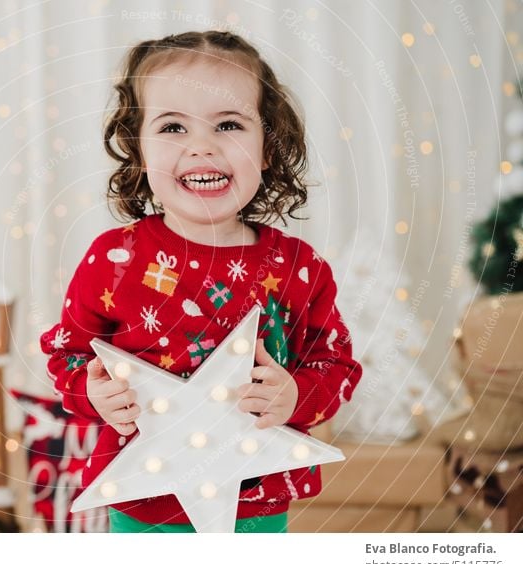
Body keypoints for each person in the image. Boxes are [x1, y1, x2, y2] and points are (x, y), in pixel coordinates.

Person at [40, 30, 362, 533]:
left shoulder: (299, 266)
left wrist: (297, 395)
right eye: (172, 128)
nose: (201, 147)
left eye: (229, 124)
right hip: (142, 495)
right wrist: (91, 390)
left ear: (269, 149)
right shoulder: (114, 258)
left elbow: (336, 363)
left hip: (253, 498)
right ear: (138, 148)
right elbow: (67, 354)